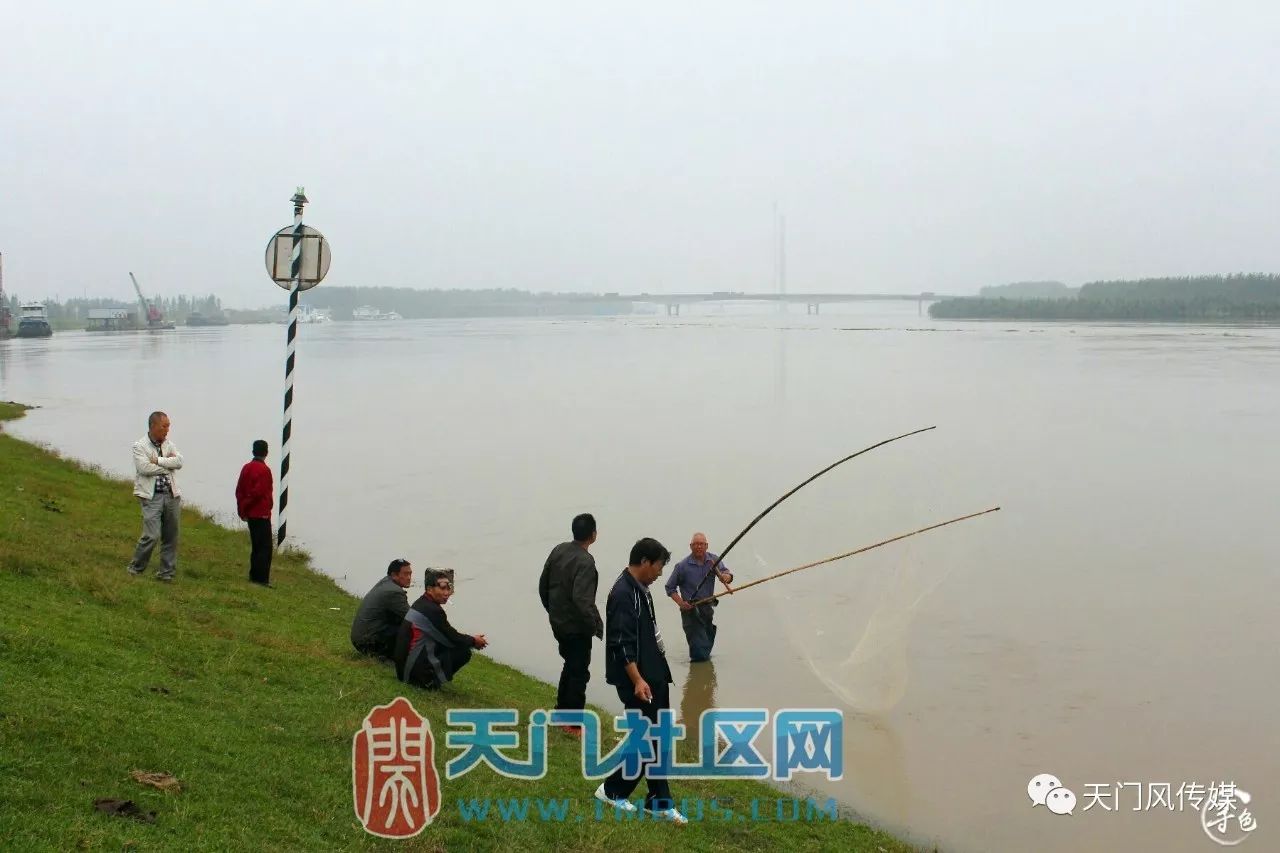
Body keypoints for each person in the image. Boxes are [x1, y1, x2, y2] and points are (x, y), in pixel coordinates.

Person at [595, 537, 687, 824]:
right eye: (659, 567)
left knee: (656, 740)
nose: (660, 573)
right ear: (645, 562)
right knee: (650, 740)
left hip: (653, 676)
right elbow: (622, 643)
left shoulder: (641, 590)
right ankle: (614, 790)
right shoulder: (624, 593)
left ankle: (655, 801)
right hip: (639, 680)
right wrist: (636, 679)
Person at [538, 513, 603, 725]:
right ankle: (573, 723)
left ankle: (561, 712)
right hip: (576, 627)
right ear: (593, 535)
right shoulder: (586, 561)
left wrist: (552, 611)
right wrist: (593, 625)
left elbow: (543, 585)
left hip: (558, 622)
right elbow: (582, 600)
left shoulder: (559, 550)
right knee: (579, 673)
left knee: (570, 665)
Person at [394, 569, 488, 689]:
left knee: (452, 644)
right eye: (442, 588)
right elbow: (452, 637)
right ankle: (429, 682)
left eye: (449, 588)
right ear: (429, 589)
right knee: (463, 651)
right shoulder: (433, 610)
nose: (447, 592)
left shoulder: (422, 602)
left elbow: (446, 634)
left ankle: (426, 677)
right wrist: (474, 641)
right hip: (411, 675)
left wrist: (470, 640)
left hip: (403, 671)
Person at [126, 411, 183, 582]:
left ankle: (166, 573)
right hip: (151, 497)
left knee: (171, 536)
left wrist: (157, 461)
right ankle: (135, 567)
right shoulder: (139, 446)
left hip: (171, 495)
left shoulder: (169, 444)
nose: (167, 430)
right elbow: (143, 468)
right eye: (164, 426)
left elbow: (179, 462)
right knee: (151, 535)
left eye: (168, 426)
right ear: (153, 426)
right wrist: (168, 465)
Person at [664, 532, 733, 662]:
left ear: (706, 546)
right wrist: (681, 603)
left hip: (707, 607)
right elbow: (670, 588)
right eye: (695, 544)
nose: (699, 547)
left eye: (701, 544)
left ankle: (703, 673)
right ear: (691, 546)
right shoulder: (682, 566)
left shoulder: (713, 560)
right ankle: (698, 669)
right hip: (690, 610)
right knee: (698, 646)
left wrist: (726, 577)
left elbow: (726, 573)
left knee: (707, 639)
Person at [350, 559, 414, 658]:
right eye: (405, 574)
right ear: (394, 575)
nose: (409, 578)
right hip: (368, 643)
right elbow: (413, 619)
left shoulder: (385, 582)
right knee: (413, 629)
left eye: (410, 574)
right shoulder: (394, 592)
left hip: (360, 639)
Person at [234, 439, 274, 586]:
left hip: (250, 514)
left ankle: (253, 575)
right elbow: (259, 492)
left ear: (253, 452)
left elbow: (240, 490)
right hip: (261, 513)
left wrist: (242, 508)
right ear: (266, 453)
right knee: (265, 548)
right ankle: (261, 579)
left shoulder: (246, 468)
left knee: (256, 546)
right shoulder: (265, 470)